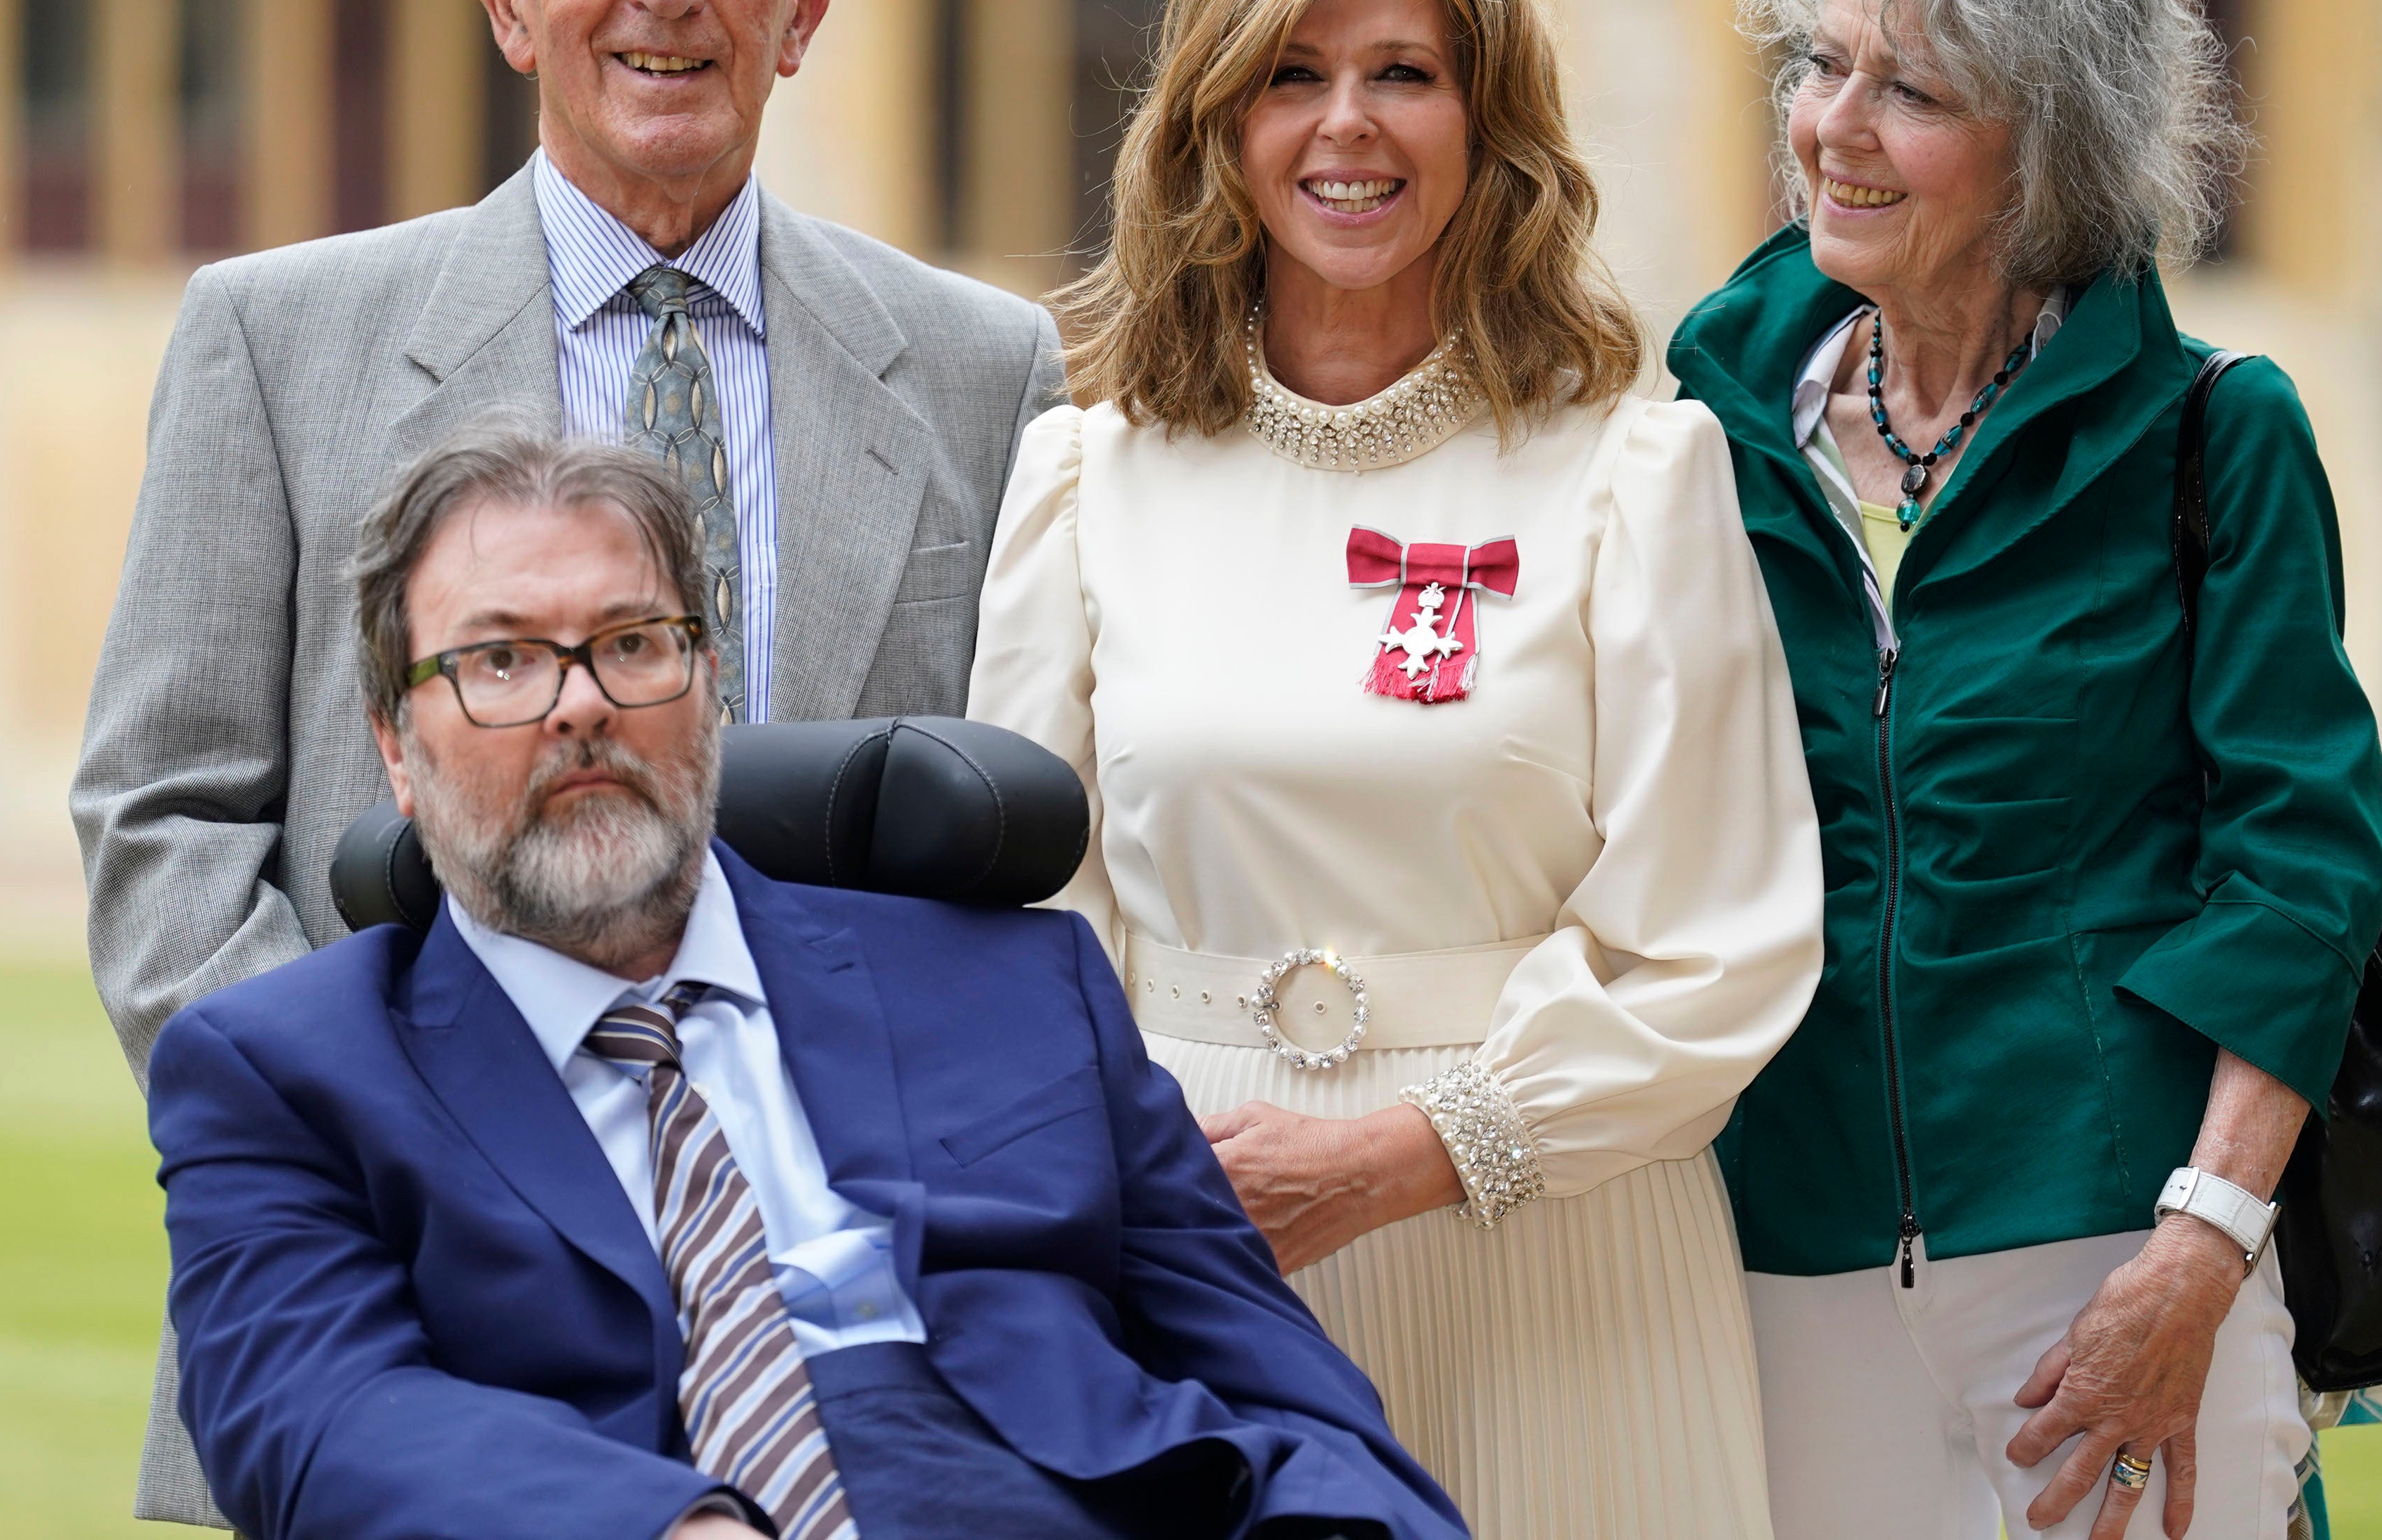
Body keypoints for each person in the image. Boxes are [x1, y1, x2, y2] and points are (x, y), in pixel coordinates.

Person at [73, 0, 1059, 1524]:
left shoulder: (986, 370)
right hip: (405, 1302)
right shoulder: (277, 337)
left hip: (856, 1319)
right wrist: (373, 1146)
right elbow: (165, 813)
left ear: (803, 6)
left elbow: (1001, 845)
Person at [968, 0, 1825, 1540]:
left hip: (1563, 1254)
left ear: (1487, 119)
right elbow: (1028, 938)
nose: (1343, 128)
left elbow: (1721, 941)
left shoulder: (1634, 470)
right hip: (1191, 1250)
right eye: (1289, 75)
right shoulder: (1083, 476)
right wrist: (1131, 1191)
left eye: (1402, 76)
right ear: (1212, 119)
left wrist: (1412, 1154)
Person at [147, 420, 1463, 1540]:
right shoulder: (288, 1069)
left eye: (633, 643)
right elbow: (317, 1415)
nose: (579, 704)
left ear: (707, 686)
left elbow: (1288, 1392)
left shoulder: (1016, 981)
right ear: (395, 744)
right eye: (500, 661)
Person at [1666, 0, 2382, 1540]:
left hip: (2112, 1245)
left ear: (2048, 139)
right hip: (1780, 1246)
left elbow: (2298, 864)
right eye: (1820, 62)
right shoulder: (1698, 420)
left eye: (1908, 88)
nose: (1835, 128)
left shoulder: (2217, 430)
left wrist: (2199, 1251)